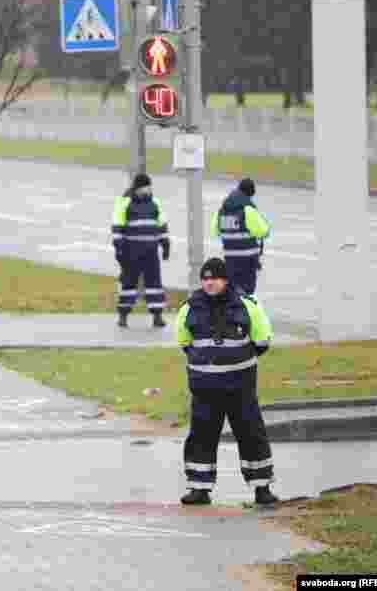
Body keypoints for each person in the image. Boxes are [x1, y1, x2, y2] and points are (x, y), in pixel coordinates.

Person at [175, 257, 278, 507]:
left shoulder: (246, 305)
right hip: (204, 389)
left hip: (239, 388)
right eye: (206, 278)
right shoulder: (189, 307)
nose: (210, 283)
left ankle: (261, 488)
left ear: (225, 280)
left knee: (251, 434)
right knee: (201, 437)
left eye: (215, 278)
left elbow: (262, 340)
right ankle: (199, 489)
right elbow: (184, 342)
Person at [111, 173, 171, 328]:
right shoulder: (125, 203)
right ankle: (123, 315)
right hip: (131, 251)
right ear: (137, 188)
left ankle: (157, 315)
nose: (148, 190)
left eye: (149, 187)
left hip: (151, 252)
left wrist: (165, 243)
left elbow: (161, 225)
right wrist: (119, 249)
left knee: (154, 284)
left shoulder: (155, 203)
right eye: (145, 187)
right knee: (129, 284)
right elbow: (118, 228)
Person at [211, 178, 270, 297]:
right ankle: (244, 314)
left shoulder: (222, 210)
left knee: (232, 290)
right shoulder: (247, 209)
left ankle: (232, 314)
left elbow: (215, 231)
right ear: (250, 193)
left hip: (230, 258)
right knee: (247, 292)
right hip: (247, 259)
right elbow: (263, 231)